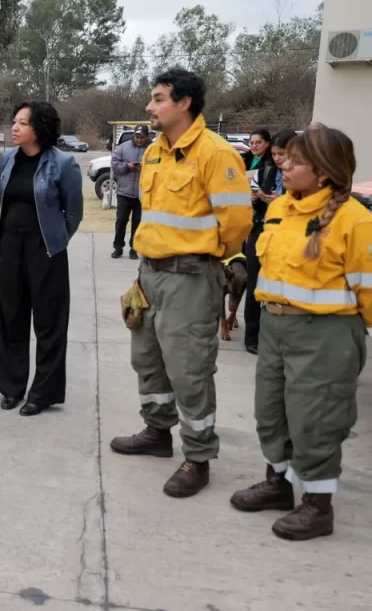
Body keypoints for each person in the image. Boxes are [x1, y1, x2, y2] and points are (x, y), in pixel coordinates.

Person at [109, 68, 252, 497]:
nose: (149, 107)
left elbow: (236, 223)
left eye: (158, 98)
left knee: (189, 371)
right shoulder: (155, 151)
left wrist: (204, 258)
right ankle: (157, 434)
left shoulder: (215, 153)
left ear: (184, 102)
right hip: (151, 273)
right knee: (148, 360)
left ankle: (199, 457)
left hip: (191, 277)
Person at [229, 124, 372, 541]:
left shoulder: (355, 221)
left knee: (317, 420)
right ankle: (277, 484)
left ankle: (318, 505)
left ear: (324, 172)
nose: (283, 165)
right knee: (271, 412)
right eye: (284, 157)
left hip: (325, 335)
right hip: (275, 327)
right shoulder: (279, 209)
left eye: (295, 161)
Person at [0, 101, 83, 416]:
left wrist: (55, 241)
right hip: (10, 248)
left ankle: (43, 393)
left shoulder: (63, 163)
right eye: (14, 121)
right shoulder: (8, 160)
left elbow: (74, 213)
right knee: (10, 319)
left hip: (45, 250)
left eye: (22, 123)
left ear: (39, 128)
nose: (14, 128)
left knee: (49, 324)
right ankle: (11, 387)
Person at [241, 128, 277, 354]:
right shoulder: (263, 169)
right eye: (252, 142)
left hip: (280, 234)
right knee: (253, 282)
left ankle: (270, 334)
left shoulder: (295, 172)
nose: (281, 157)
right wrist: (257, 198)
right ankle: (251, 336)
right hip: (258, 228)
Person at [110, 124, 150, 259]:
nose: (139, 140)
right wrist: (127, 166)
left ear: (147, 136)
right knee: (121, 220)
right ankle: (118, 247)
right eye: (137, 137)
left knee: (138, 223)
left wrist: (146, 168)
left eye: (142, 137)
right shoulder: (123, 147)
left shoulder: (153, 150)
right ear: (134, 135)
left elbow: (160, 168)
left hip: (142, 194)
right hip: (124, 192)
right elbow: (114, 165)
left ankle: (134, 249)